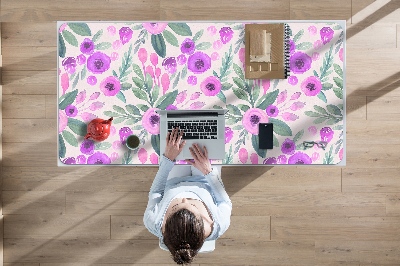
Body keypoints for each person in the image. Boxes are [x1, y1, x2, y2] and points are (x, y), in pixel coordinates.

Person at [144, 127, 232, 264]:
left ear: (165, 224)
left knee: (173, 141)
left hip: (173, 181)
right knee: (210, 135)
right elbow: (224, 202)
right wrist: (208, 171)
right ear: (204, 222)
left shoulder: (153, 222)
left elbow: (156, 192)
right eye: (192, 205)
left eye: (176, 206)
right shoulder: (220, 224)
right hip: (205, 180)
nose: (184, 198)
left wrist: (168, 159)